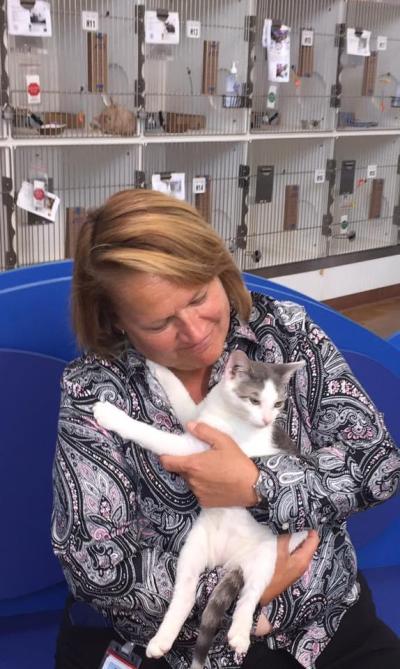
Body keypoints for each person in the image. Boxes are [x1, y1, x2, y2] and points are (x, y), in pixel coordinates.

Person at [52, 188, 400, 669]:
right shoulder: (97, 390)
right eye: (159, 323)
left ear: (219, 268)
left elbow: (376, 464)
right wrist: (248, 585)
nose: (195, 332)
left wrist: (259, 486)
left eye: (199, 297)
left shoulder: (283, 332)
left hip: (330, 626)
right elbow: (93, 564)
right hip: (192, 651)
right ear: (116, 319)